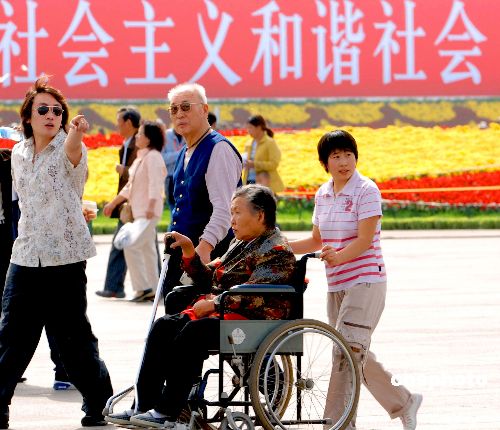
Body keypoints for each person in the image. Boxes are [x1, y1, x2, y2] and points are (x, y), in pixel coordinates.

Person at [106, 184, 296, 428]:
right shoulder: (241, 244)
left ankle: (168, 409)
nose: (232, 220)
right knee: (164, 326)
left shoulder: (276, 248)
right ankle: (144, 403)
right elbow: (211, 278)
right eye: (231, 213)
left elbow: (256, 293)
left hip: (255, 319)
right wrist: (189, 252)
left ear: (260, 215)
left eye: (237, 212)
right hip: (228, 310)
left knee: (194, 334)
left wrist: (214, 302)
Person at [288, 130, 422, 430]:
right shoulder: (322, 194)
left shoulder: (366, 190)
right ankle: (404, 401)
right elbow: (316, 239)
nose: (343, 161)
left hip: (366, 281)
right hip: (337, 285)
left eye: (348, 154)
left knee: (344, 352)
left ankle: (336, 425)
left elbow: (365, 240)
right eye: (335, 156)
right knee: (355, 353)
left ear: (356, 157)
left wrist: (340, 256)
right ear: (325, 163)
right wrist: (280, 247)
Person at [0, 76, 112, 429]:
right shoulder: (18, 154)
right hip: (25, 255)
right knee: (12, 338)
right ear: (29, 117)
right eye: (43, 109)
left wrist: (77, 130)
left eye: (57, 110)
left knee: (73, 342)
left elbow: (73, 153)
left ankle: (99, 403)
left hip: (64, 259)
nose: (51, 115)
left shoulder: (69, 146)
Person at [161, 83, 242, 307]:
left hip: (209, 257)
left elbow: (225, 209)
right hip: (182, 257)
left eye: (186, 107)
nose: (179, 114)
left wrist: (203, 248)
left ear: (204, 110)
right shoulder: (184, 153)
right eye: (174, 109)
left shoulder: (218, 149)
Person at [103, 121, 167, 302]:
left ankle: (143, 288)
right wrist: (112, 204)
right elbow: (129, 189)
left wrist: (150, 206)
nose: (137, 137)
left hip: (147, 212)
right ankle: (153, 290)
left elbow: (156, 185)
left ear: (149, 139)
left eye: (140, 134)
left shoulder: (154, 157)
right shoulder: (141, 158)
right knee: (148, 251)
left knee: (131, 245)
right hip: (140, 211)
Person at [95, 106, 140, 299]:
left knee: (121, 244)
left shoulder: (139, 143)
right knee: (133, 245)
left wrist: (125, 171)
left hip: (134, 203)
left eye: (119, 122)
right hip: (129, 203)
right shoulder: (128, 142)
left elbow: (142, 172)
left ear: (129, 123)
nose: (117, 126)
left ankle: (114, 287)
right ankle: (116, 286)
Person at [242, 114, 284, 194]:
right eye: (247, 128)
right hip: (249, 182)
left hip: (264, 184)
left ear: (259, 127)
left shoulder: (270, 142)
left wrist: (255, 164)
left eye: (250, 128)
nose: (248, 131)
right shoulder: (249, 144)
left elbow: (274, 163)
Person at [159, 123, 184, 214]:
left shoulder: (188, 134)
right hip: (171, 178)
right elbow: (161, 158)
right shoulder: (165, 136)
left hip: (186, 177)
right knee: (174, 211)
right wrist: (181, 154)